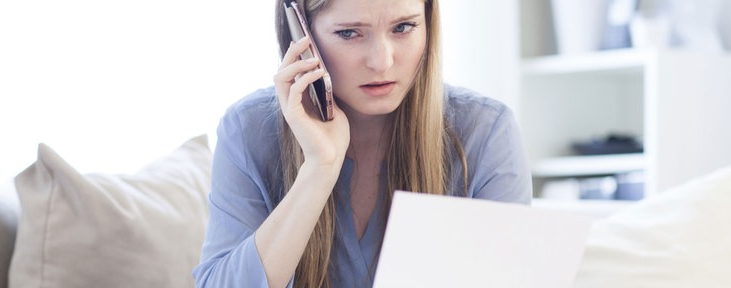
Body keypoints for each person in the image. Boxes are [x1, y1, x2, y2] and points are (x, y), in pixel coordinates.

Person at [192, 0, 531, 287]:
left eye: (403, 28)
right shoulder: (248, 129)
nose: (381, 61)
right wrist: (318, 170)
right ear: (302, 36)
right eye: (349, 33)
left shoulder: (486, 131)